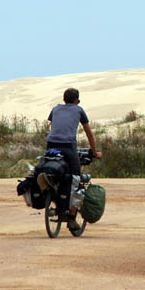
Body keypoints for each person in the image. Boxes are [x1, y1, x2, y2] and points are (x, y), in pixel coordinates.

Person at [46, 88, 101, 229]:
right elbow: (89, 134)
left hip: (51, 146)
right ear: (76, 100)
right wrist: (95, 152)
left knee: (53, 171)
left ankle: (52, 196)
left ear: (64, 99)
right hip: (68, 147)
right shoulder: (79, 110)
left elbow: (53, 128)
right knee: (76, 180)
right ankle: (71, 218)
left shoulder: (55, 109)